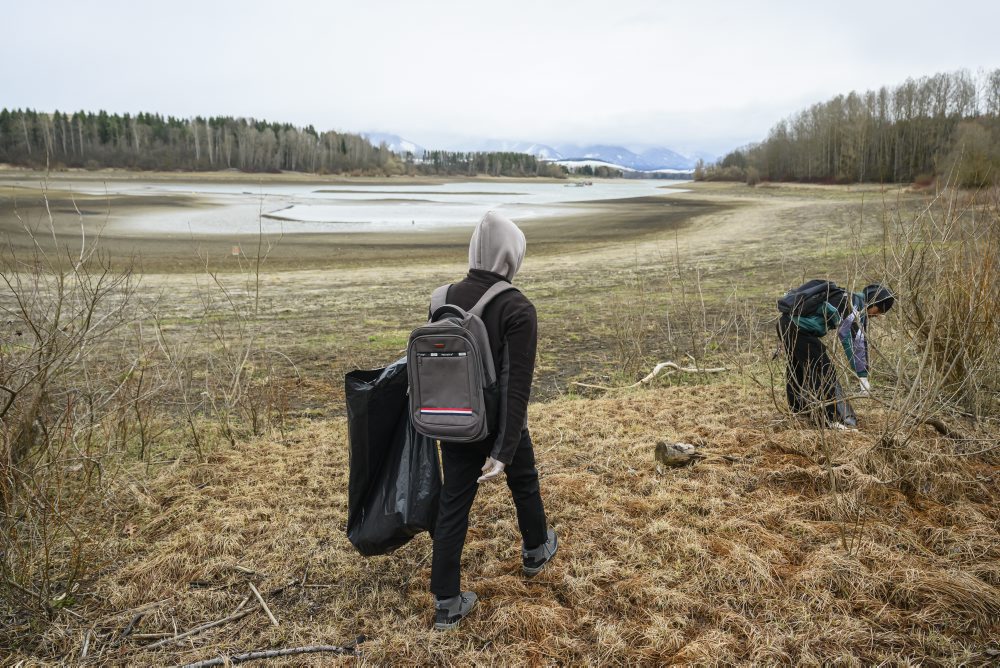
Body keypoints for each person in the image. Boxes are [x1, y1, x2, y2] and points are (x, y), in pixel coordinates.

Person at [430, 211, 557, 631]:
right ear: (511, 255)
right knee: (525, 480)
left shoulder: (440, 298)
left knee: (454, 501)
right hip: (500, 423)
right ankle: (536, 550)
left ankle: (446, 602)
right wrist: (503, 451)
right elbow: (515, 385)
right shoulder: (518, 307)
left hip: (454, 419)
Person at [777, 282, 895, 427]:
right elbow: (853, 339)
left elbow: (859, 336)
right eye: (880, 310)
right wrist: (862, 375)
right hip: (799, 329)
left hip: (785, 324)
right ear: (875, 303)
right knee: (825, 370)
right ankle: (831, 420)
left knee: (798, 368)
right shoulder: (852, 304)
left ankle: (797, 411)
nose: (878, 315)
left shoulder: (849, 299)